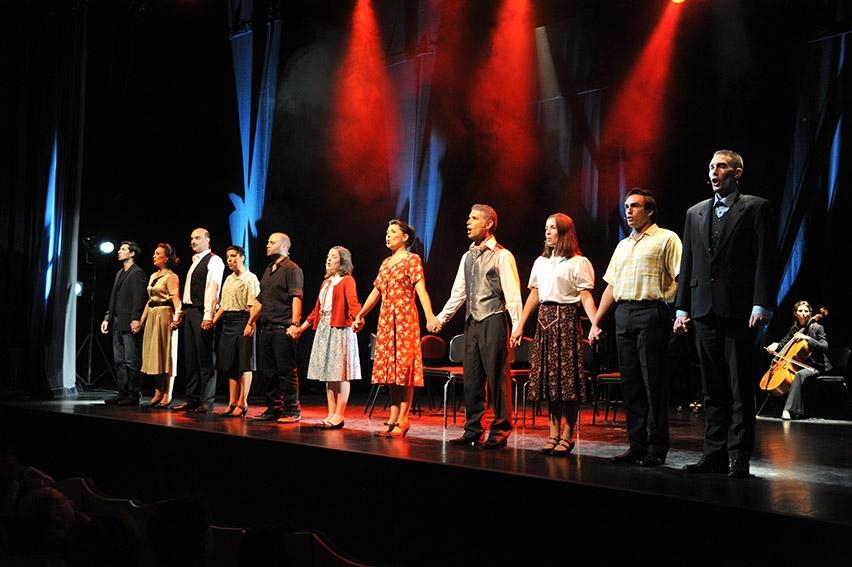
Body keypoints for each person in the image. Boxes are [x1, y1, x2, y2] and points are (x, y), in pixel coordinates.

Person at [675, 149, 776, 479]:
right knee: (711, 386)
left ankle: (739, 457)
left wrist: (761, 302)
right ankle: (713, 453)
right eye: (711, 167)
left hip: (739, 309)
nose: (714, 172)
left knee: (739, 385)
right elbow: (688, 261)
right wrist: (682, 307)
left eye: (720, 166)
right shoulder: (695, 213)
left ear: (737, 172)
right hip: (703, 308)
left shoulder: (756, 207)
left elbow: (765, 258)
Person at [588, 188, 682, 468]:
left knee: (653, 382)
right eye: (627, 206)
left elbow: (681, 277)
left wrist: (681, 312)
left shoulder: (667, 238)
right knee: (630, 384)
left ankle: (656, 448)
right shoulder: (622, 245)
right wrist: (596, 322)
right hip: (624, 313)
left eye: (635, 206)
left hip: (651, 311)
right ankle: (636, 445)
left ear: (649, 210)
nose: (628, 211)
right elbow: (611, 286)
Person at [428, 204, 523, 449]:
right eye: (468, 218)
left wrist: (517, 325)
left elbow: (513, 294)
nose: (468, 222)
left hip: (493, 319)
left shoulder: (502, 255)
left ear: (488, 224)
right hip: (472, 322)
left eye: (474, 218)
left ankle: (500, 431)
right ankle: (472, 430)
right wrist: (441, 318)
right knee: (471, 379)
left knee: (497, 378)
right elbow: (458, 293)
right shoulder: (467, 256)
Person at [511, 213, 597, 456]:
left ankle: (567, 434)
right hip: (544, 321)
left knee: (567, 381)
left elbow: (585, 296)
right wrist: (520, 325)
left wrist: (595, 323)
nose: (547, 232)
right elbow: (534, 295)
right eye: (546, 228)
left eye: (552, 228)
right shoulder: (541, 262)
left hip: (566, 320)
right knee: (550, 381)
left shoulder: (578, 262)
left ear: (564, 233)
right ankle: (552, 433)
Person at [353, 219, 437, 439]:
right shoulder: (386, 263)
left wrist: (430, 316)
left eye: (392, 232)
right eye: (387, 232)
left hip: (405, 319)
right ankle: (392, 418)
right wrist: (360, 315)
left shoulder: (412, 259)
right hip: (386, 321)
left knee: (404, 369)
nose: (388, 235)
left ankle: (403, 419)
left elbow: (421, 289)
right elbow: (376, 292)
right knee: (391, 370)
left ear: (405, 237)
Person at [294, 246, 362, 429]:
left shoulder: (347, 280)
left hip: (340, 328)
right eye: (328, 256)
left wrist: (358, 318)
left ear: (343, 261)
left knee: (341, 374)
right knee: (329, 374)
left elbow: (353, 303)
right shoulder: (326, 283)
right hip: (324, 327)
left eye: (333, 257)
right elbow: (317, 310)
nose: (329, 259)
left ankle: (339, 414)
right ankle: (331, 414)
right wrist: (301, 328)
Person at [246, 232, 304, 423]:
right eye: (268, 242)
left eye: (272, 242)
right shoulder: (269, 270)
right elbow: (261, 300)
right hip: (266, 327)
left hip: (282, 327)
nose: (267, 245)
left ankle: (291, 409)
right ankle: (274, 408)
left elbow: (296, 297)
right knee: (268, 372)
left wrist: (295, 323)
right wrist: (251, 322)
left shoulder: (292, 269)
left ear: (284, 246)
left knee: (286, 371)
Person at [172, 228, 225, 414]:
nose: (193, 241)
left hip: (202, 312)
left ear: (208, 240)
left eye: (197, 238)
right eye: (191, 238)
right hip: (190, 312)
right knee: (191, 358)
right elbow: (187, 292)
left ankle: (206, 401)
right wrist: (179, 314)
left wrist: (208, 315)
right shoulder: (195, 261)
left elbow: (213, 289)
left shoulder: (214, 260)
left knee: (205, 358)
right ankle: (192, 398)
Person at [211, 245, 260, 418]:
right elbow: (224, 305)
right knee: (230, 363)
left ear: (242, 257)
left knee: (244, 363)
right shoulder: (229, 279)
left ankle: (242, 402)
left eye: (233, 256)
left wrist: (250, 323)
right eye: (228, 257)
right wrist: (213, 321)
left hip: (243, 319)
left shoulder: (250, 278)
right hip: (229, 322)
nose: (229, 260)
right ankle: (232, 401)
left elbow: (255, 305)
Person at [100, 240, 148, 406]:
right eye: (119, 249)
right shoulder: (119, 273)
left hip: (129, 321)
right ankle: (122, 392)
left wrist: (136, 318)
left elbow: (139, 298)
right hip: (116, 320)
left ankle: (133, 394)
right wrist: (107, 317)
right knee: (119, 360)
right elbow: (113, 297)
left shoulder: (137, 273)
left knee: (131, 360)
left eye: (123, 249)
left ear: (132, 253)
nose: (119, 251)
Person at [765, 300, 830, 420]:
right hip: (800, 364)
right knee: (786, 375)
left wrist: (807, 338)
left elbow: (825, 346)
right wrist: (775, 345)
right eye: (800, 310)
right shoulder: (794, 329)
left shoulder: (817, 327)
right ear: (795, 313)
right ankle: (774, 408)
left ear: (810, 313)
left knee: (798, 375)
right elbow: (784, 343)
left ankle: (788, 410)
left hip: (815, 366)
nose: (803, 313)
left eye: (806, 311)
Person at [139, 243, 181, 408]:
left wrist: (177, 318)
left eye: (158, 254)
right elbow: (149, 301)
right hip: (152, 315)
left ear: (166, 258)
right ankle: (158, 391)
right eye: (154, 253)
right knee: (155, 355)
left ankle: (167, 393)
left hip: (164, 315)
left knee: (166, 353)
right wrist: (141, 320)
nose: (154, 256)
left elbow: (176, 299)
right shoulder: (153, 276)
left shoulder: (171, 277)